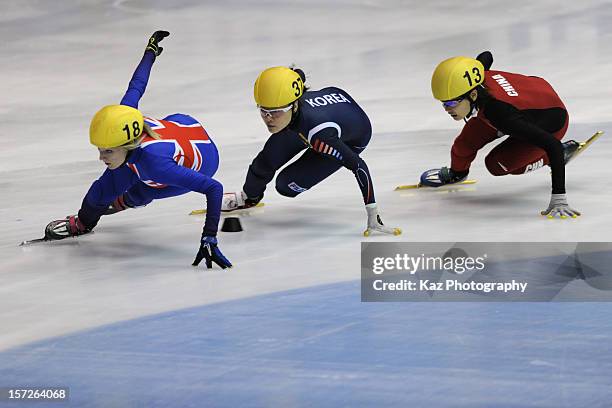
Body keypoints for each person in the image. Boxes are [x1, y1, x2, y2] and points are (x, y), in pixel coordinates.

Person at [44, 31, 232, 269]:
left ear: (126, 145)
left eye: (108, 152)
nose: (101, 157)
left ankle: (127, 200)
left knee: (143, 191)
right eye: (101, 149)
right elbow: (137, 85)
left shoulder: (155, 165)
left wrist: (209, 238)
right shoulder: (125, 116)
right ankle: (84, 222)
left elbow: (214, 188)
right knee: (99, 192)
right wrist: (150, 52)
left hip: (204, 162)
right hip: (177, 129)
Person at [222, 66, 401, 236]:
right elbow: (297, 74)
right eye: (263, 111)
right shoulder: (290, 105)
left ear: (293, 105)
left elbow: (359, 166)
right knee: (265, 161)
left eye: (275, 112)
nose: (268, 119)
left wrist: (372, 214)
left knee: (286, 185)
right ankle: (249, 198)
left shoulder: (319, 134)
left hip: (349, 138)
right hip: (318, 117)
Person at [424, 51, 583, 219]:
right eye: (443, 104)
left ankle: (551, 158)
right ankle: (458, 174)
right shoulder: (474, 77)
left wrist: (559, 199)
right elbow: (486, 56)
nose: (448, 109)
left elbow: (553, 145)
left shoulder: (502, 116)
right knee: (464, 144)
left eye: (451, 103)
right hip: (530, 94)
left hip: (550, 120)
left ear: (472, 95)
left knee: (498, 165)